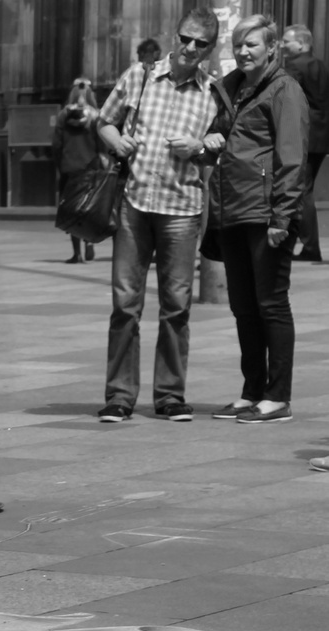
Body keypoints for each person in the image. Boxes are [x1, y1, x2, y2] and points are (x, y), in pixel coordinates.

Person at [94, 9, 222, 423]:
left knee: (176, 305)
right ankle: (119, 395)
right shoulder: (141, 75)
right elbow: (104, 121)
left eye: (200, 43)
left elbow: (220, 146)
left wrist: (199, 148)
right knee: (125, 304)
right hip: (135, 204)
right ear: (175, 34)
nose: (190, 48)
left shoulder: (213, 92)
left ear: (210, 48)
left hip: (182, 210)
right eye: (186, 38)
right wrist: (117, 141)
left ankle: (169, 394)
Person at [208, 15, 309, 425]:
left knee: (271, 305)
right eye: (238, 44)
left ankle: (278, 396)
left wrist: (282, 217)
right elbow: (226, 143)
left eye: (252, 44)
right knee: (244, 308)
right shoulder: (232, 89)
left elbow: (292, 157)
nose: (243, 51)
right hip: (231, 209)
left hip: (266, 213)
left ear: (272, 49)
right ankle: (251, 391)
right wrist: (210, 139)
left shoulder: (285, 89)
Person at [281, 25, 328, 262]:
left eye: (286, 41)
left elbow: (288, 99)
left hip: (305, 134)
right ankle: (308, 245)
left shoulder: (295, 66)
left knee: (302, 190)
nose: (282, 45)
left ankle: (309, 246)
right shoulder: (320, 65)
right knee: (305, 188)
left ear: (301, 44)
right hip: (322, 136)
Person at [53, 78, 102, 263]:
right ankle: (89, 242)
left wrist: (60, 164)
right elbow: (101, 144)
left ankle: (77, 253)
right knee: (90, 206)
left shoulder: (63, 115)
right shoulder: (95, 116)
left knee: (72, 209)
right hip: (91, 167)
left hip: (69, 168)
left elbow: (57, 144)